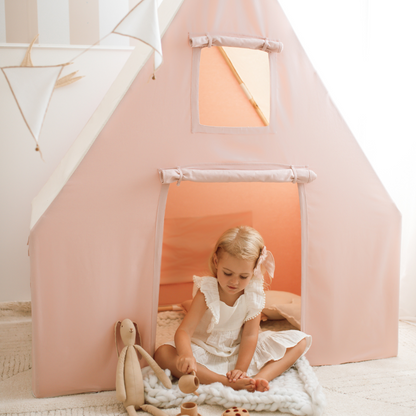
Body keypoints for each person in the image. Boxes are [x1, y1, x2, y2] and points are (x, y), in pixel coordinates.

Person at [154, 226, 312, 392]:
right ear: (216, 262)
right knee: (163, 353)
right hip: (204, 351)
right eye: (227, 273)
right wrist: (186, 355)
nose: (234, 282)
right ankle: (224, 382)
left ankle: (255, 380)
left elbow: (250, 335)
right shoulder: (207, 291)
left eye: (243, 276)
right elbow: (184, 331)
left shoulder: (254, 294)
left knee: (299, 342)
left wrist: (240, 369)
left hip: (240, 350)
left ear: (254, 271)